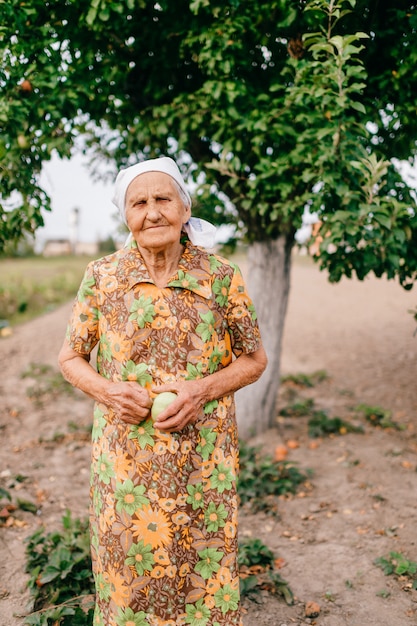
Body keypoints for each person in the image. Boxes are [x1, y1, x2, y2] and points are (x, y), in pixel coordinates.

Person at [58, 156, 267, 626]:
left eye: (162, 199)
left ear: (184, 207)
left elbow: (255, 360)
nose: (152, 212)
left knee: (202, 575)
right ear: (126, 215)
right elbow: (70, 358)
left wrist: (200, 389)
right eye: (139, 202)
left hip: (203, 465)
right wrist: (109, 391)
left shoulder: (221, 276)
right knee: (128, 577)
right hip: (125, 465)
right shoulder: (102, 277)